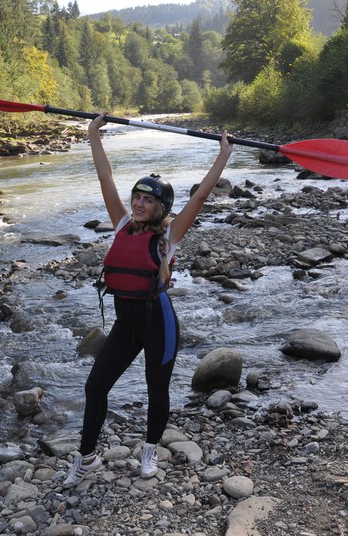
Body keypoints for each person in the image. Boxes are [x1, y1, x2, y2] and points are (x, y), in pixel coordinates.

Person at [63, 113, 234, 488]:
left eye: (147, 201)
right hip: (126, 325)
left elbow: (201, 195)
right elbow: (105, 177)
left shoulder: (170, 236)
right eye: (136, 198)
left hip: (160, 324)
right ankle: (87, 457)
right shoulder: (122, 224)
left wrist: (224, 154)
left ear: (161, 208)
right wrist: (93, 134)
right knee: (95, 387)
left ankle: (150, 449)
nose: (138, 205)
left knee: (157, 392)